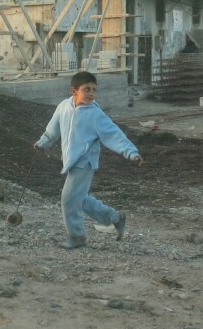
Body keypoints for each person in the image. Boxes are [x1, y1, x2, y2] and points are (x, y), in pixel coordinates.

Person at [34, 71, 144, 249]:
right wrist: (42, 143)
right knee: (80, 199)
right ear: (74, 91)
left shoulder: (95, 115)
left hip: (85, 163)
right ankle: (115, 217)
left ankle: (76, 237)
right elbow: (53, 130)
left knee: (68, 199)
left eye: (94, 90)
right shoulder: (63, 107)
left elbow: (113, 134)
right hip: (71, 160)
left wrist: (131, 152)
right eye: (87, 89)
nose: (91, 94)